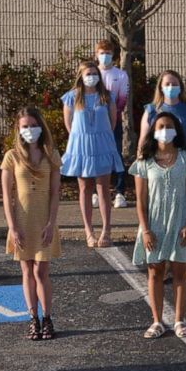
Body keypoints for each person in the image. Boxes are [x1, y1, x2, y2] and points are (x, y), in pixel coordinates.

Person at [130, 111, 186, 339]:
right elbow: (140, 200)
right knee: (155, 272)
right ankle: (157, 321)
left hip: (179, 223)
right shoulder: (144, 163)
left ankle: (180, 320)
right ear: (153, 130)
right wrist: (145, 230)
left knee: (180, 271)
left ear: (176, 130)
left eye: (169, 126)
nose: (164, 130)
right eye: (160, 126)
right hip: (154, 225)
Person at [0, 108, 63, 341]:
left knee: (41, 270)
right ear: (18, 129)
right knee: (26, 270)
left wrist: (51, 223)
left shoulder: (51, 155)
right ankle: (32, 318)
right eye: (24, 126)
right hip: (22, 221)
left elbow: (56, 193)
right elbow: (7, 196)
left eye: (33, 125)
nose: (29, 130)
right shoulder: (11, 157)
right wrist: (12, 226)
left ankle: (47, 317)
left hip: (44, 220)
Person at [61, 59, 122, 249]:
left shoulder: (107, 96)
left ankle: (106, 230)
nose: (92, 77)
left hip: (102, 145)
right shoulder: (71, 97)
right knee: (85, 188)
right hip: (81, 147)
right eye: (88, 74)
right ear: (81, 76)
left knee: (103, 188)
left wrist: (100, 136)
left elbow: (113, 122)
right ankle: (89, 231)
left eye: (95, 74)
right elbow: (69, 124)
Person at [94, 40, 131, 209]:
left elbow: (122, 99)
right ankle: (96, 192)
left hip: (113, 120)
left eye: (108, 53)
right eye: (102, 53)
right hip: (93, 122)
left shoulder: (121, 75)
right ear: (96, 54)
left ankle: (120, 192)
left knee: (115, 154)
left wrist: (113, 115)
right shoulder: (92, 74)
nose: (105, 56)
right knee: (95, 155)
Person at [138, 70, 186, 158]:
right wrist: (139, 166)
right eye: (167, 84)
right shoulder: (151, 111)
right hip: (156, 163)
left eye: (174, 84)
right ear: (161, 87)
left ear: (180, 87)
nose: (171, 87)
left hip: (185, 164)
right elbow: (143, 141)